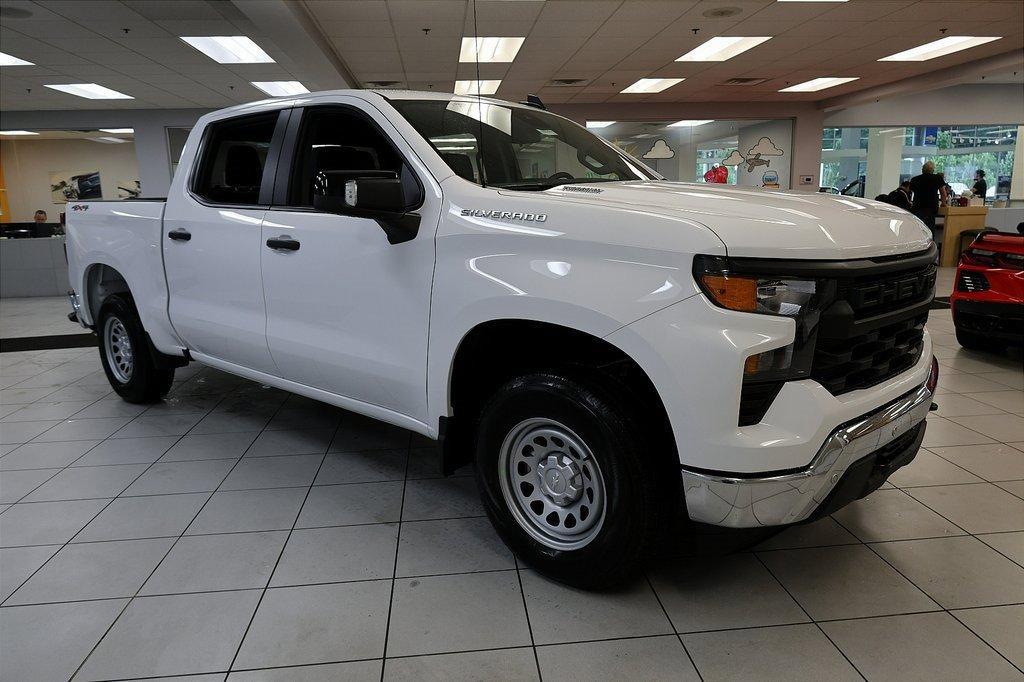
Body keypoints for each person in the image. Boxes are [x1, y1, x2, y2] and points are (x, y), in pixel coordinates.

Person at [909, 161, 947, 229]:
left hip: (917, 205)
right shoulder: (937, 178)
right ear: (932, 170)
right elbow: (943, 193)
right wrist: (943, 203)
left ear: (922, 170)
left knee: (918, 226)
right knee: (930, 227)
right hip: (931, 206)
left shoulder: (914, 179)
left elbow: (910, 192)